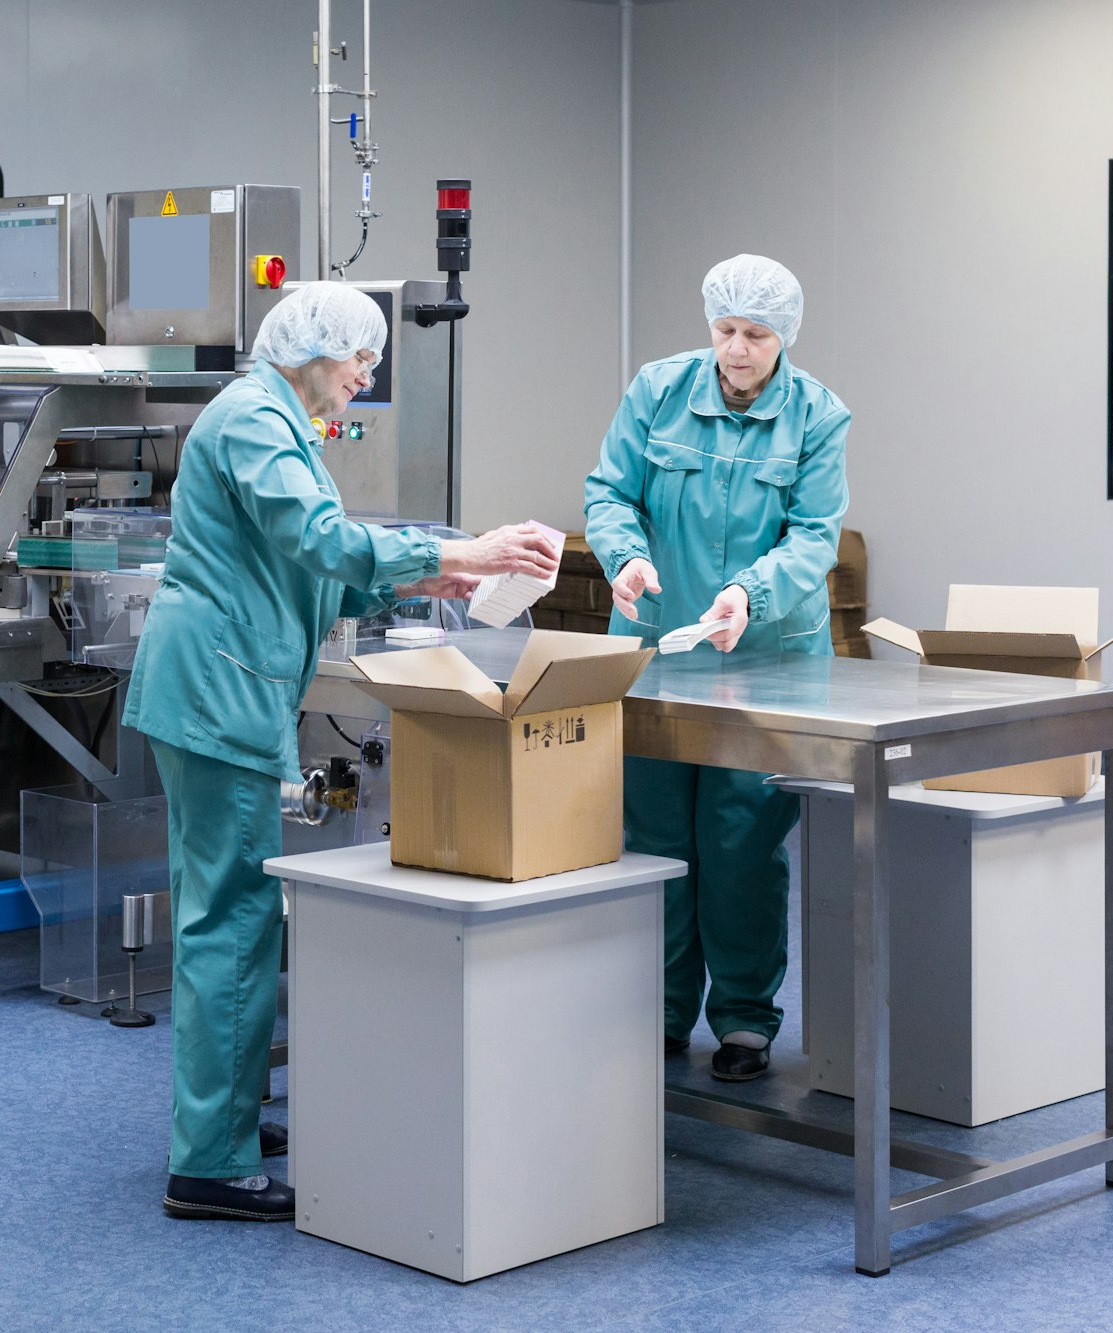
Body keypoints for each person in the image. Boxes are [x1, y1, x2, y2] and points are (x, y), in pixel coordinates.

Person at [122, 282, 561, 1221]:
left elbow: (297, 560)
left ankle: (226, 1113)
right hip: (218, 690)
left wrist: (444, 568)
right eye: (363, 360)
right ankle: (209, 1160)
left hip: (228, 683)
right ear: (316, 348)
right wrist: (465, 552)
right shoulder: (251, 419)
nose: (367, 378)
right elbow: (315, 536)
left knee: (230, 909)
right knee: (234, 920)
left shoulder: (274, 420)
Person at [583, 254, 850, 1081]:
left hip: (766, 657)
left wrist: (749, 593)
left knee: (741, 842)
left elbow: (814, 537)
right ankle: (660, 1009)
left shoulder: (819, 417)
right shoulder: (658, 390)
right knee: (655, 836)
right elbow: (608, 493)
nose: (737, 350)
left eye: (756, 335)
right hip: (661, 648)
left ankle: (743, 1020)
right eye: (726, 331)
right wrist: (623, 558)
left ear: (785, 338)